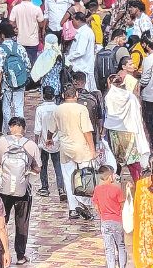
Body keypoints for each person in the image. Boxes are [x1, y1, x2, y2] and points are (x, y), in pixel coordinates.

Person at [0, 117, 39, 265]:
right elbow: (38, 168)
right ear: (24, 128)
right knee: (22, 223)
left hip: (3, 190)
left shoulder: (1, 142)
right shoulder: (31, 145)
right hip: (23, 191)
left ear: (11, 127)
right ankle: (20, 256)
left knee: (0, 222)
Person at [56, 87, 95, 220]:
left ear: (63, 95)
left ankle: (72, 208)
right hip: (81, 147)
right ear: (76, 95)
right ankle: (84, 203)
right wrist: (92, 149)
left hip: (65, 148)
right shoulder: (81, 109)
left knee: (68, 178)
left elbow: (51, 129)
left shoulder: (58, 109)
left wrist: (49, 139)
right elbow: (87, 131)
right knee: (85, 177)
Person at [90, 166, 127, 268]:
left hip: (105, 221)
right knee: (120, 245)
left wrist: (102, 214)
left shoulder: (97, 189)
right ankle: (122, 266)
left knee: (109, 248)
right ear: (110, 177)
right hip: (117, 221)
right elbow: (122, 204)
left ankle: (111, 266)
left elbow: (96, 206)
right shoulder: (117, 189)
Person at [32, 86, 64, 198]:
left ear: (43, 96)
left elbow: (38, 128)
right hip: (57, 142)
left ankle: (44, 187)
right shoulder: (58, 108)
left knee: (43, 165)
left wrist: (36, 143)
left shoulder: (40, 109)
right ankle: (61, 188)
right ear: (54, 96)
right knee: (58, 166)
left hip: (43, 142)